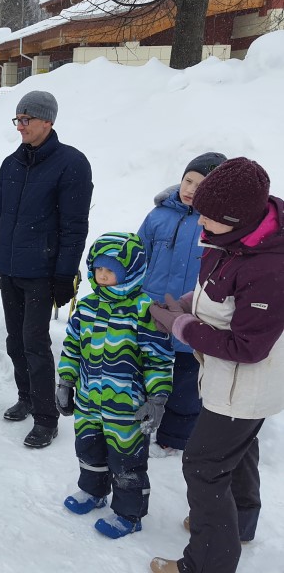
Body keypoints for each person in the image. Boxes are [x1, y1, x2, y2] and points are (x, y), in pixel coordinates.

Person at [149, 158, 284, 573]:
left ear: (238, 218)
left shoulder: (269, 266)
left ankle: (209, 563)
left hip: (246, 385)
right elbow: (223, 292)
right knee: (237, 452)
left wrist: (183, 327)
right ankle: (237, 525)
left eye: (209, 215)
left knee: (203, 465)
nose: (201, 221)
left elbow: (248, 347)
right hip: (232, 381)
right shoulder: (232, 236)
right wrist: (190, 303)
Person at [0, 89, 93, 449]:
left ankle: (47, 419)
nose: (20, 126)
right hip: (11, 270)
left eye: (26, 119)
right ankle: (27, 397)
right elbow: (0, 217)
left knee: (35, 343)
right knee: (15, 341)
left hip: (42, 273)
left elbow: (74, 227)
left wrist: (64, 274)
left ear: (48, 120)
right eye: (18, 119)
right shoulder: (11, 164)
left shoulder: (71, 164)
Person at [56, 232, 173, 539]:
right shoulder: (86, 307)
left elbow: (157, 359)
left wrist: (157, 397)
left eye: (111, 269)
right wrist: (66, 380)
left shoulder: (144, 310)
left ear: (131, 270)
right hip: (89, 402)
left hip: (127, 409)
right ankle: (93, 492)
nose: (103, 275)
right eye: (99, 268)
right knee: (89, 449)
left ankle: (129, 514)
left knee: (127, 462)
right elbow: (72, 348)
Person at [137, 152, 226, 457]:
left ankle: (174, 437)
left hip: (193, 315)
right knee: (147, 370)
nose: (190, 189)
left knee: (187, 381)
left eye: (201, 186)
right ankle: (138, 423)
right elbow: (138, 256)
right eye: (188, 180)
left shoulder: (216, 225)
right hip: (153, 312)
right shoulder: (159, 216)